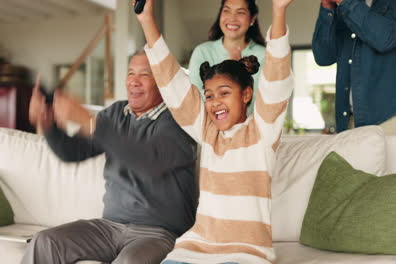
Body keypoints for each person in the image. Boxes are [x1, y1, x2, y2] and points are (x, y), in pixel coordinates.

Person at [135, 0, 294, 263]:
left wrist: (279, 11)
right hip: (196, 248)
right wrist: (146, 20)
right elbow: (172, 82)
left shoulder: (262, 133)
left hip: (246, 253)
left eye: (224, 93)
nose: (214, 102)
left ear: (246, 94)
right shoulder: (208, 133)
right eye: (208, 96)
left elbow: (276, 79)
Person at [21, 50, 198, 264]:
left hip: (159, 233)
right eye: (131, 73)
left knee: (130, 261)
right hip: (108, 227)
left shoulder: (179, 121)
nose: (134, 81)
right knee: (45, 241)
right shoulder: (114, 114)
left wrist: (90, 122)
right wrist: (48, 124)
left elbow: (148, 161)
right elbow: (71, 152)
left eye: (145, 74)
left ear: (162, 81)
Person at [312, 0, 396, 133]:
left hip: (389, 122)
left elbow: (385, 39)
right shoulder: (343, 6)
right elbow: (324, 57)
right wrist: (327, 7)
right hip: (349, 122)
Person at [188, 0, 265, 115]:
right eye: (227, 11)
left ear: (252, 19)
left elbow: (262, 102)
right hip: (208, 129)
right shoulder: (202, 52)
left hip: (250, 128)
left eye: (240, 12)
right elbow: (195, 99)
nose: (232, 18)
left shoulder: (264, 55)